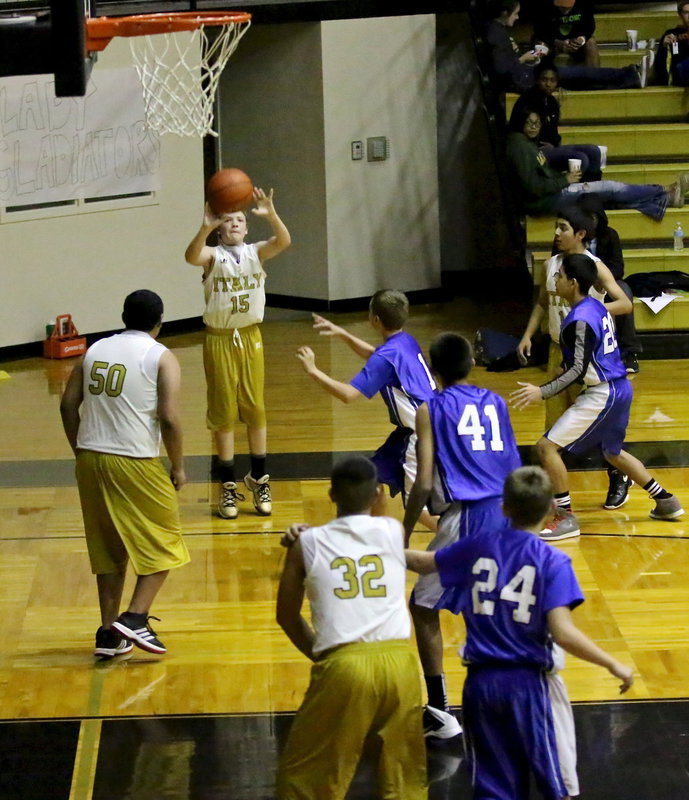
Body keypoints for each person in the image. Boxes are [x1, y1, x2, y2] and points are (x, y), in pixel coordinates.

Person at [405, 465, 634, 800]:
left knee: (493, 789)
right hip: (530, 687)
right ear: (550, 511)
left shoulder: (476, 546)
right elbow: (563, 633)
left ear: (503, 507)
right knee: (556, 786)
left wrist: (375, 544)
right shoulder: (552, 561)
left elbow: (423, 563)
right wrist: (612, 663)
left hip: (480, 686)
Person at [275, 456, 426, 799]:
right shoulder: (393, 532)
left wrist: (322, 656)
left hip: (344, 665)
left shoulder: (307, 543)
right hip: (401, 665)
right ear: (377, 494)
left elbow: (286, 616)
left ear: (331, 495)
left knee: (306, 779)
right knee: (403, 779)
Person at [511, 255, 684, 541]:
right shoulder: (595, 306)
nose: (555, 279)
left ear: (573, 282)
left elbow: (578, 370)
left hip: (603, 393)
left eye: (559, 276)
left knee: (546, 447)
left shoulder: (579, 319)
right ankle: (665, 500)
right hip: (619, 387)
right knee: (612, 453)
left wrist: (541, 391)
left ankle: (565, 518)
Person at [403, 332, 521, 739]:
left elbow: (422, 483)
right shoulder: (496, 401)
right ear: (472, 363)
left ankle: (439, 710)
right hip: (507, 511)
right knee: (488, 608)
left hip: (469, 515)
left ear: (433, 370)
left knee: (422, 606)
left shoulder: (429, 408)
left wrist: (404, 532)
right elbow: (512, 463)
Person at [60, 290, 190, 657]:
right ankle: (135, 616)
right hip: (134, 460)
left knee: (108, 550)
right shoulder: (160, 356)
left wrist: (82, 451)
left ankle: (108, 633)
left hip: (91, 458)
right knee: (166, 543)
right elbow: (169, 417)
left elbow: (68, 405)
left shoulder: (94, 350)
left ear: (123, 317)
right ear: (159, 322)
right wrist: (178, 466)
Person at [184, 189, 291, 520]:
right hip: (219, 338)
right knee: (224, 411)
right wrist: (203, 227)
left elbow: (284, 241)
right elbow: (190, 256)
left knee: (255, 408)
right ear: (219, 228)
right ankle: (227, 485)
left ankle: (259, 478)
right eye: (228, 220)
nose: (234, 224)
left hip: (250, 336)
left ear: (246, 228)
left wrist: (271, 214)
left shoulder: (256, 252)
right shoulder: (212, 256)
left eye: (240, 220)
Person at [295, 290, 437, 528]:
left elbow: (348, 395)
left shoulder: (386, 357)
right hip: (421, 427)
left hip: (419, 434)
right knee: (374, 480)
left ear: (375, 320)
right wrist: (342, 334)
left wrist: (313, 371)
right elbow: (376, 356)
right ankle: (376, 536)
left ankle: (462, 540)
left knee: (417, 508)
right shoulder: (405, 341)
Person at [506, 105, 687, 219]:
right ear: (520, 123)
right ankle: (663, 190)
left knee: (606, 200)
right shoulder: (519, 146)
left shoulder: (525, 143)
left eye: (537, 123)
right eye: (529, 123)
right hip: (545, 200)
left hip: (549, 194)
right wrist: (564, 180)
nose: (534, 127)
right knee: (610, 188)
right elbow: (533, 187)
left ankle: (665, 199)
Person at [485, 0, 642, 94]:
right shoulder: (495, 34)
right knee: (581, 75)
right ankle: (630, 75)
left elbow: (506, 63)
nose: (518, 17)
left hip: (527, 73)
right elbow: (501, 69)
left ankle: (629, 75)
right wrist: (523, 58)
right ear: (504, 13)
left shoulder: (498, 30)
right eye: (515, 14)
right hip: (525, 78)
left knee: (582, 75)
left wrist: (524, 58)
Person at [510, 62, 604, 180]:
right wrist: (538, 145)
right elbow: (518, 132)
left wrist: (554, 145)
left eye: (552, 80)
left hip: (551, 148)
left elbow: (553, 132)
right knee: (580, 159)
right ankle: (574, 188)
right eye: (544, 80)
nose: (548, 84)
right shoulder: (526, 101)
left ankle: (593, 188)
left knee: (594, 151)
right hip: (534, 151)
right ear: (537, 80)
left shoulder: (552, 102)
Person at [533, 0, 600, 68]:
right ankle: (542, 73)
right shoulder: (544, 5)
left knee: (591, 43)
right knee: (540, 46)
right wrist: (557, 42)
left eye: (568, 7)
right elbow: (539, 31)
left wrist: (582, 39)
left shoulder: (584, 4)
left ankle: (593, 74)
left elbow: (590, 27)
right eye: (561, 6)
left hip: (574, 41)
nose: (564, 9)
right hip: (552, 41)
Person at [653, 1, 689, 87]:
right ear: (680, 15)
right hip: (680, 74)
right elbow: (659, 68)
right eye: (686, 12)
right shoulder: (671, 34)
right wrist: (664, 47)